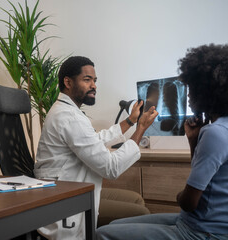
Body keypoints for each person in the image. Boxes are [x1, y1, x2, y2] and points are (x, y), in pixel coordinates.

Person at [96, 43, 228, 240]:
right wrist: (193, 140)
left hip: (203, 233)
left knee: (102, 233)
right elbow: (208, 180)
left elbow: (188, 202)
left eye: (192, 88)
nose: (187, 94)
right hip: (205, 224)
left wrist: (179, 195)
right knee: (115, 224)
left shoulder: (217, 133)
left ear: (208, 91)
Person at [34, 56, 158, 239]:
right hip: (66, 207)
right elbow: (111, 168)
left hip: (71, 192)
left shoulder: (66, 111)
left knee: (137, 199)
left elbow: (95, 140)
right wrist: (140, 129)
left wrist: (131, 121)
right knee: (140, 213)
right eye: (87, 80)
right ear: (68, 82)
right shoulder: (69, 117)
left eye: (95, 80)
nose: (94, 85)